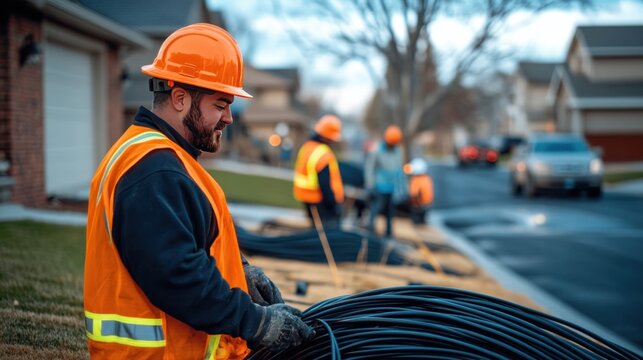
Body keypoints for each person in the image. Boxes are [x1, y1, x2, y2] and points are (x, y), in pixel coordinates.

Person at [84, 23, 314, 359]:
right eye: (220, 105)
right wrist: (257, 322)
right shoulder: (154, 170)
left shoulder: (159, 157)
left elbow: (182, 241)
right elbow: (177, 275)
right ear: (180, 98)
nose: (229, 119)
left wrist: (240, 271)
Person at [293, 115, 345, 228]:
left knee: (316, 231)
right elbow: (325, 183)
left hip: (306, 197)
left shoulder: (306, 147)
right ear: (328, 137)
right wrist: (333, 204)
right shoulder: (323, 153)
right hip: (319, 200)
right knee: (326, 233)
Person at [364, 125, 407, 237]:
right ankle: (371, 230)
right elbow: (370, 168)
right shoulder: (376, 150)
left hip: (392, 187)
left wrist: (403, 188)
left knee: (390, 212)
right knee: (376, 208)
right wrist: (370, 185)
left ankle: (388, 233)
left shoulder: (398, 152)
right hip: (379, 186)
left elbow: (399, 170)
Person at [405, 158, 434, 224]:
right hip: (427, 204)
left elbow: (413, 194)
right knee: (422, 222)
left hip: (417, 206)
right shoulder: (427, 178)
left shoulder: (416, 180)